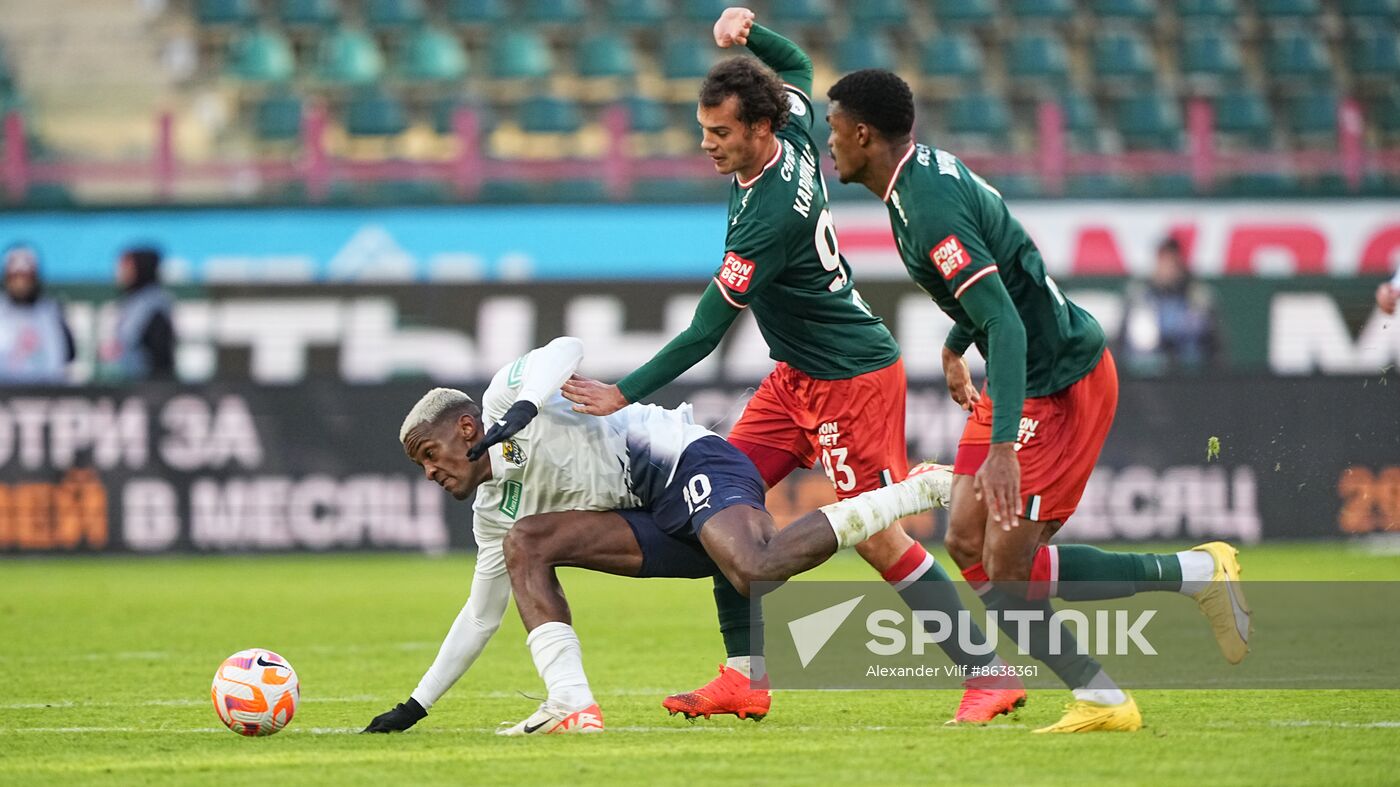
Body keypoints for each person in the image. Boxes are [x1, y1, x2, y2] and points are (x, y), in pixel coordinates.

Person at [561, 7, 1023, 725]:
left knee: (876, 535)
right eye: (703, 130)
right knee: (717, 495)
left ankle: (986, 670)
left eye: (720, 133)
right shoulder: (800, 127)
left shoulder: (767, 215)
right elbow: (801, 72)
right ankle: (747, 676)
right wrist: (752, 38)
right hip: (795, 378)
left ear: (759, 129)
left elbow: (704, 334)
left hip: (852, 380)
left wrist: (621, 393)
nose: (707, 145)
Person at [823, 68, 1253, 733]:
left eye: (831, 127)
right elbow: (1008, 271)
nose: (828, 142)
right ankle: (1171, 606)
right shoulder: (918, 184)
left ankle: (1166, 611)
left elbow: (1010, 322)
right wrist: (951, 343)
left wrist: (1001, 449)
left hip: (1060, 381)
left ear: (862, 133)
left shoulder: (926, 201)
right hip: (1022, 372)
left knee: (1006, 565)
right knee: (968, 538)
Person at [364, 337, 953, 736]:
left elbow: (565, 349)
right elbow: (480, 616)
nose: (431, 472)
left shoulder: (502, 399)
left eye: (430, 454)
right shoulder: (493, 509)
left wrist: (523, 406)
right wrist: (415, 707)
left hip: (691, 465)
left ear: (467, 428)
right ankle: (571, 702)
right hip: (654, 517)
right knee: (526, 542)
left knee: (754, 567)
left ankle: (913, 492)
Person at [1118, 237, 1222, 376]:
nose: (1167, 268)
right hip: (1146, 378)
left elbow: (1216, 347)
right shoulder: (1139, 297)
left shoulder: (1198, 297)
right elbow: (1122, 344)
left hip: (1191, 377)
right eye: (1163, 261)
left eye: (1171, 262)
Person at [0, 243, 75, 384]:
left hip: (45, 396)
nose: (21, 284)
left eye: (26, 277)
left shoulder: (51, 311)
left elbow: (69, 354)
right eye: (15, 277)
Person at [104, 246, 175, 380]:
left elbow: (160, 353)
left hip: (145, 387)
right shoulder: (132, 302)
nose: (120, 272)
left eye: (127, 267)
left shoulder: (153, 304)